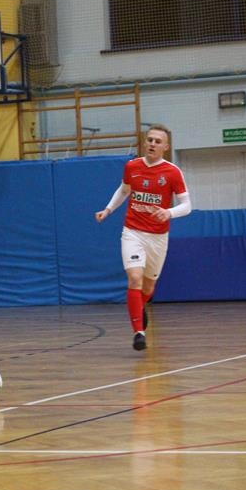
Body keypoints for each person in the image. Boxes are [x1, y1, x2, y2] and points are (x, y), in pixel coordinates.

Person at [95, 124, 191, 351]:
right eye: (150, 140)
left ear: (165, 147)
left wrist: (169, 212)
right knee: (135, 279)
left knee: (147, 288)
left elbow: (187, 205)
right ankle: (139, 332)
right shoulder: (132, 166)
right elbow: (124, 191)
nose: (152, 144)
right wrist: (108, 210)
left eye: (158, 141)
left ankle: (139, 306)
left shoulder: (172, 172)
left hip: (158, 236)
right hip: (133, 232)